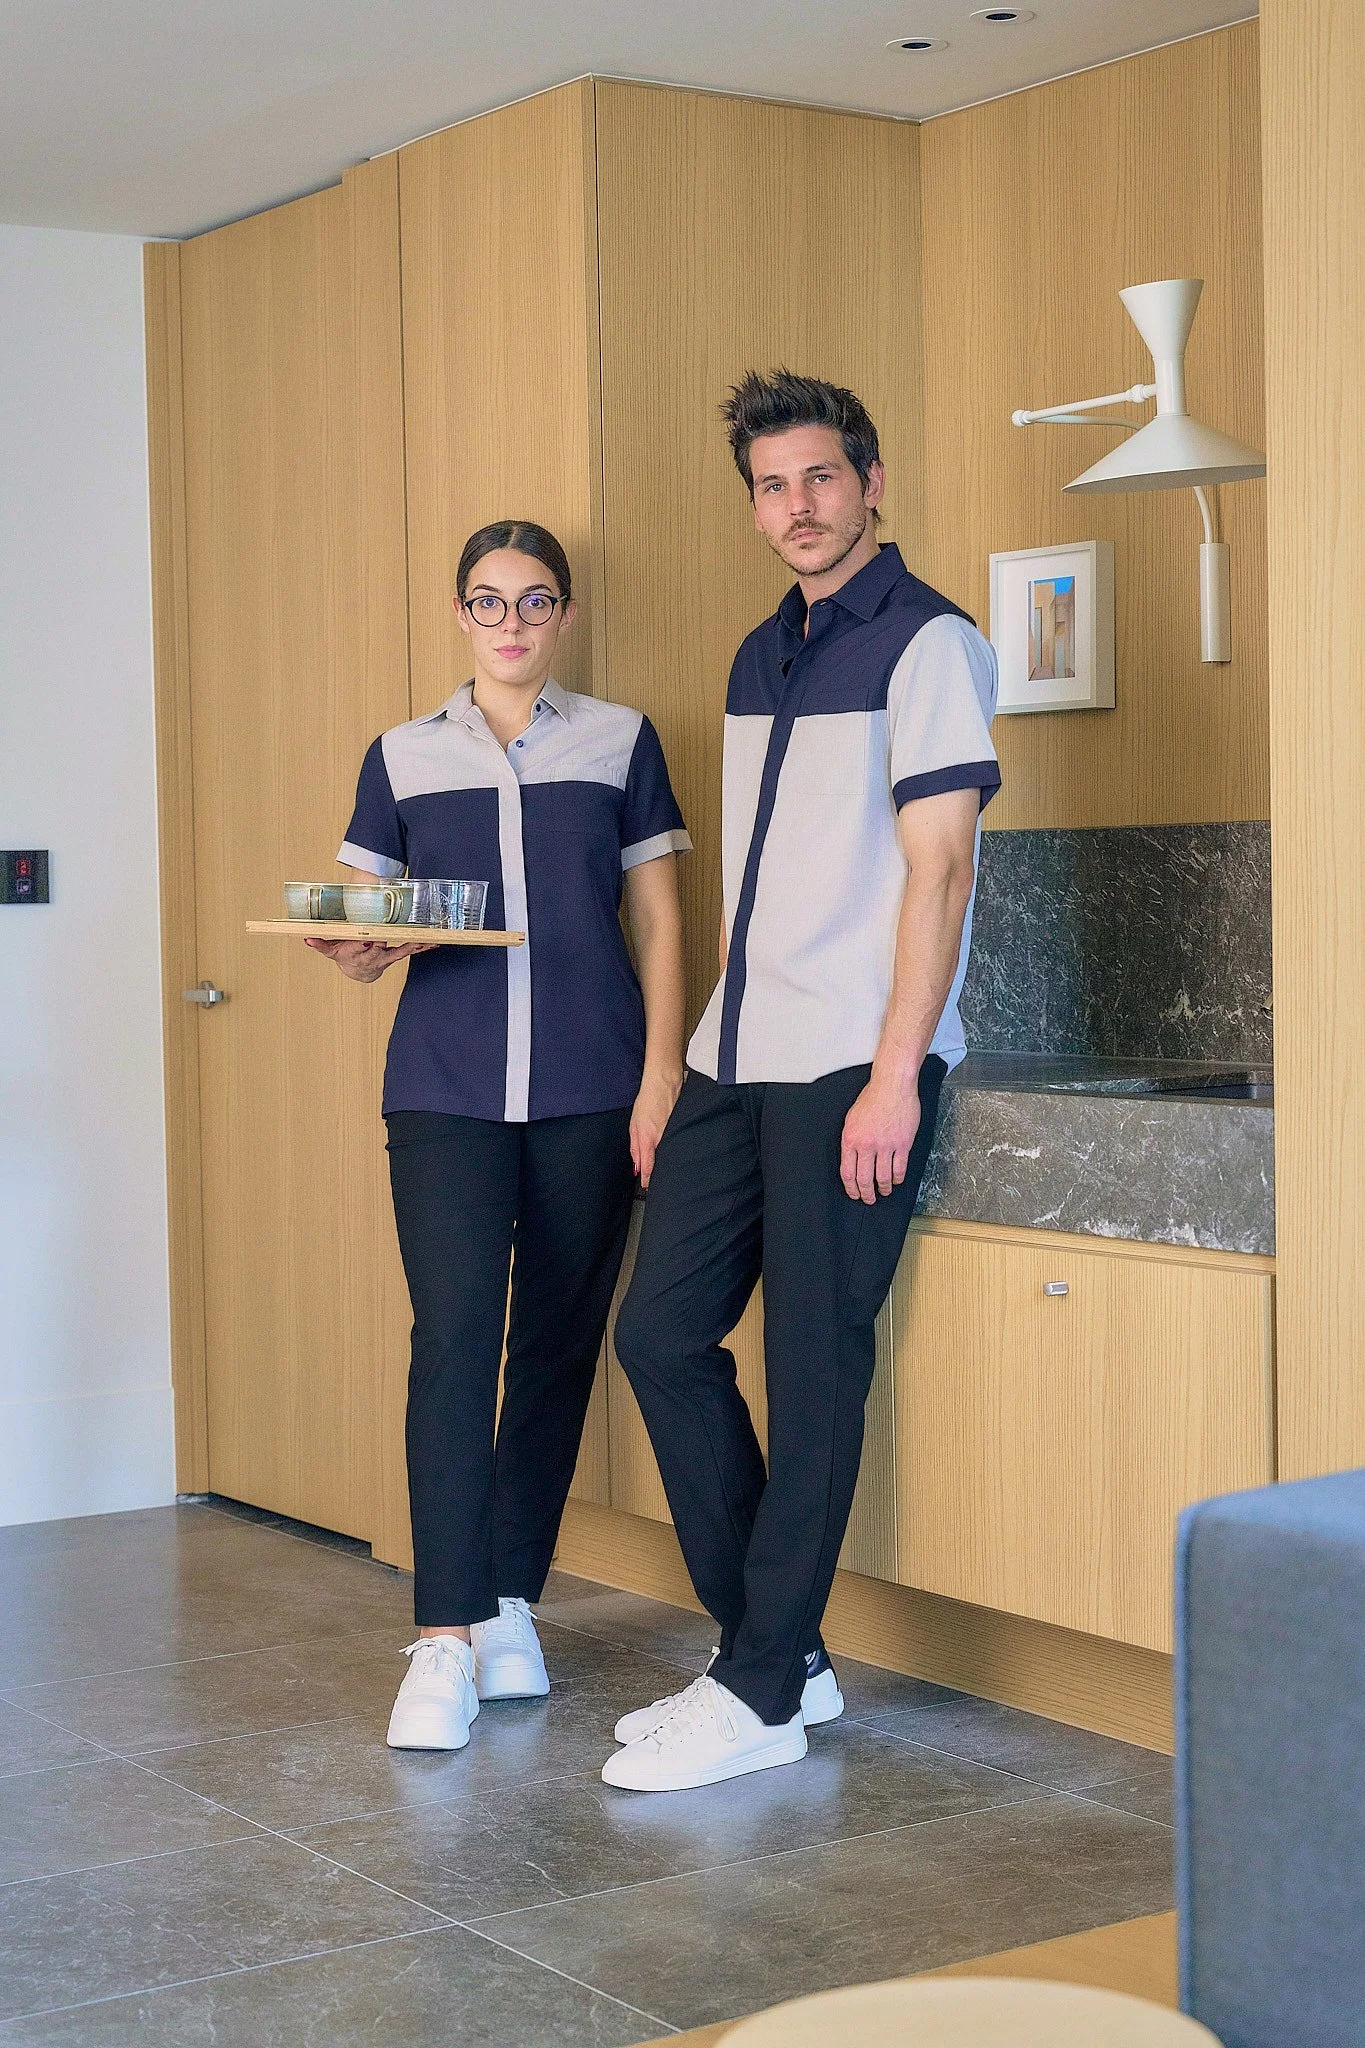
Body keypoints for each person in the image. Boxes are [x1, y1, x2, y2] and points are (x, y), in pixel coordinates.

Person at [605, 372, 1000, 1792]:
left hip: (851, 1057)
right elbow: (756, 879)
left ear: (872, 480)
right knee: (658, 1336)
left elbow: (936, 868)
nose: (798, 509)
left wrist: (897, 1074)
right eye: (772, 486)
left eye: (821, 479)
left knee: (813, 1363)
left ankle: (761, 1687)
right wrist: (682, 1059)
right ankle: (780, 1652)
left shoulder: (929, 642)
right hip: (736, 1048)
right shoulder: (753, 656)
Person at [310, 519, 689, 1753]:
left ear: (563, 613)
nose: (511, 623)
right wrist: (359, 950)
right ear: (461, 615)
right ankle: (445, 1632)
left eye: (534, 601)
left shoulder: (622, 739)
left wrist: (660, 1074)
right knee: (457, 1339)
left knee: (558, 1347)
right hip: (446, 1090)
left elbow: (659, 915)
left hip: (591, 1086)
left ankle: (513, 1600)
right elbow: (369, 931)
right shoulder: (404, 755)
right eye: (488, 601)